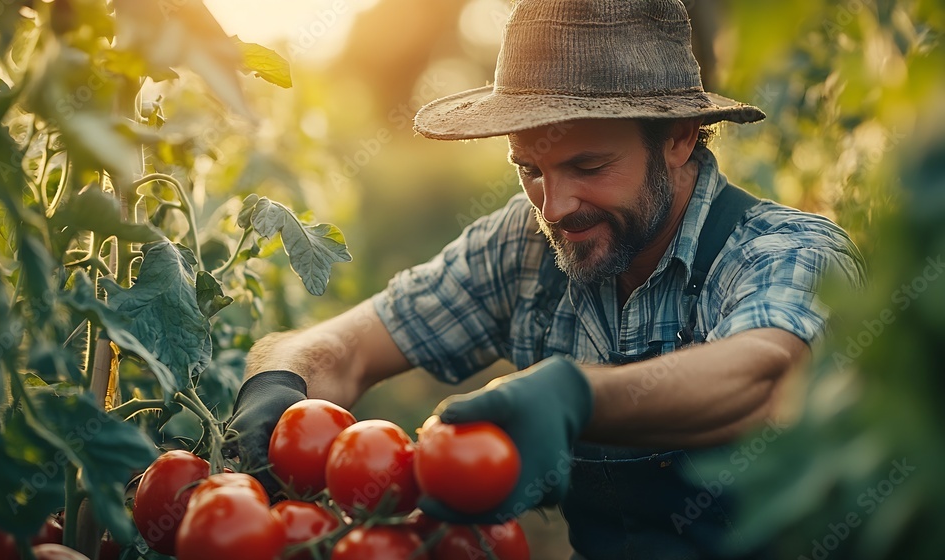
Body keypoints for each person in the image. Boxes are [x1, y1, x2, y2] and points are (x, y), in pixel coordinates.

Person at [224, 0, 865, 558]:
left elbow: (770, 377)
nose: (554, 206)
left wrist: (576, 396)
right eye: (530, 169)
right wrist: (281, 383)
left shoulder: (786, 250)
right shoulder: (523, 245)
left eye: (588, 165)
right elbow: (347, 348)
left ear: (679, 137)